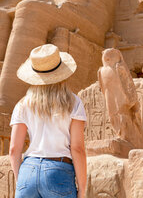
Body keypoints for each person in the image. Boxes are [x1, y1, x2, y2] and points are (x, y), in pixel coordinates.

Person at [9, 44, 87, 197]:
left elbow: (13, 150)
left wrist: (22, 181)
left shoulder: (23, 104)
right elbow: (77, 148)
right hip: (58, 171)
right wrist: (83, 188)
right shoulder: (74, 102)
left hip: (28, 169)